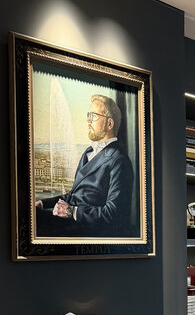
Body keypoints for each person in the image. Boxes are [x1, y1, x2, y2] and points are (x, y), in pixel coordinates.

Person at [36, 94, 134, 237]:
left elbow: (114, 214)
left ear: (109, 124)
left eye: (93, 116)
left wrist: (71, 212)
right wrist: (43, 204)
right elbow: (73, 195)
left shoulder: (119, 161)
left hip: (86, 229)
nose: (88, 120)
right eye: (89, 115)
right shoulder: (88, 152)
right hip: (71, 223)